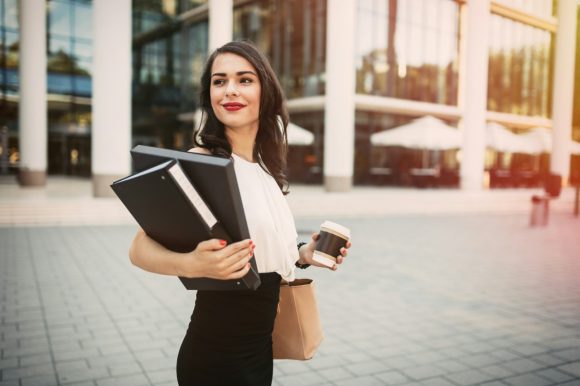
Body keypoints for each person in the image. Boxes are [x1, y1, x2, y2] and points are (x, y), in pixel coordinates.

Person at [128, 41, 352, 386]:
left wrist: (304, 254)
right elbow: (139, 248)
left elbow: (261, 251)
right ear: (209, 94)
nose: (230, 90)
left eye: (244, 79)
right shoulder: (203, 161)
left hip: (260, 350)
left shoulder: (266, 169)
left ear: (266, 90)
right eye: (219, 81)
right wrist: (191, 264)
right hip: (218, 355)